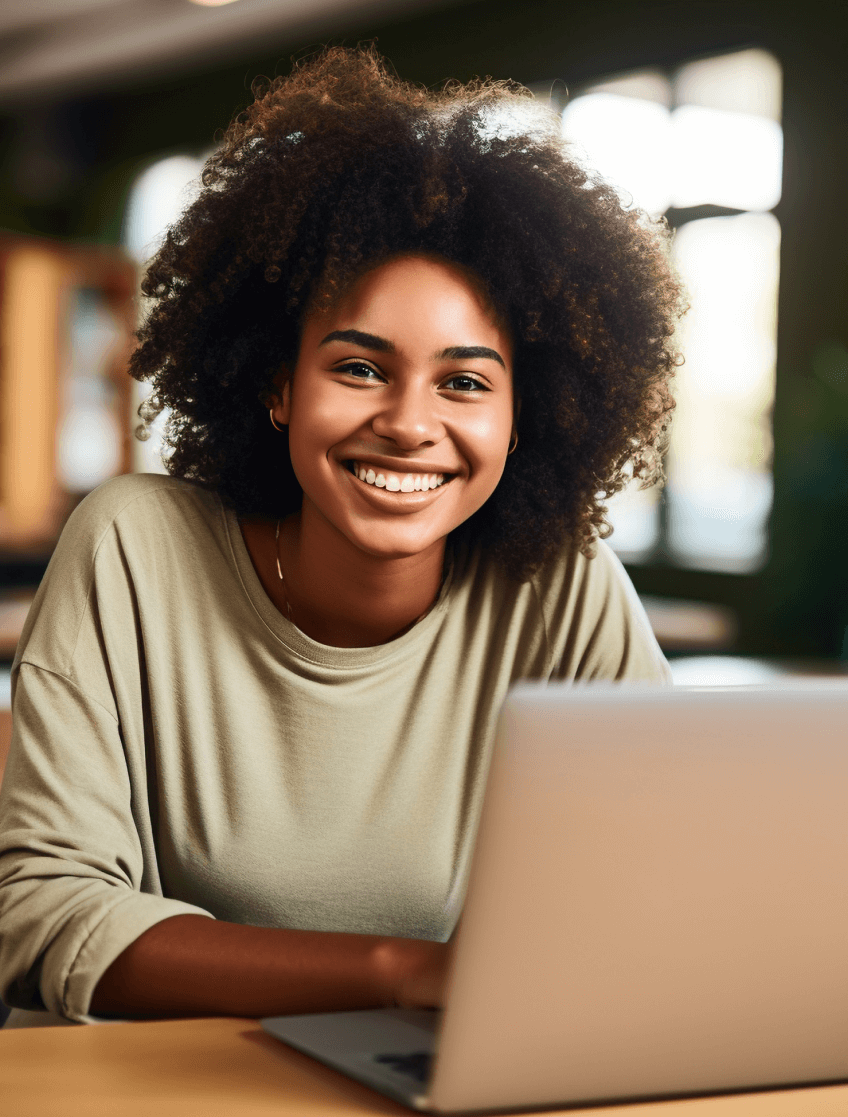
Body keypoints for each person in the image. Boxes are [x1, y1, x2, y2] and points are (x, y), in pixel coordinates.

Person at [0, 47, 682, 1026]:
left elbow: (660, 895)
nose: (409, 422)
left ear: (521, 417)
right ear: (277, 385)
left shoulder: (560, 588)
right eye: (360, 368)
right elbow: (42, 916)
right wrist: (398, 972)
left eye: (463, 381)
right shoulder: (131, 550)